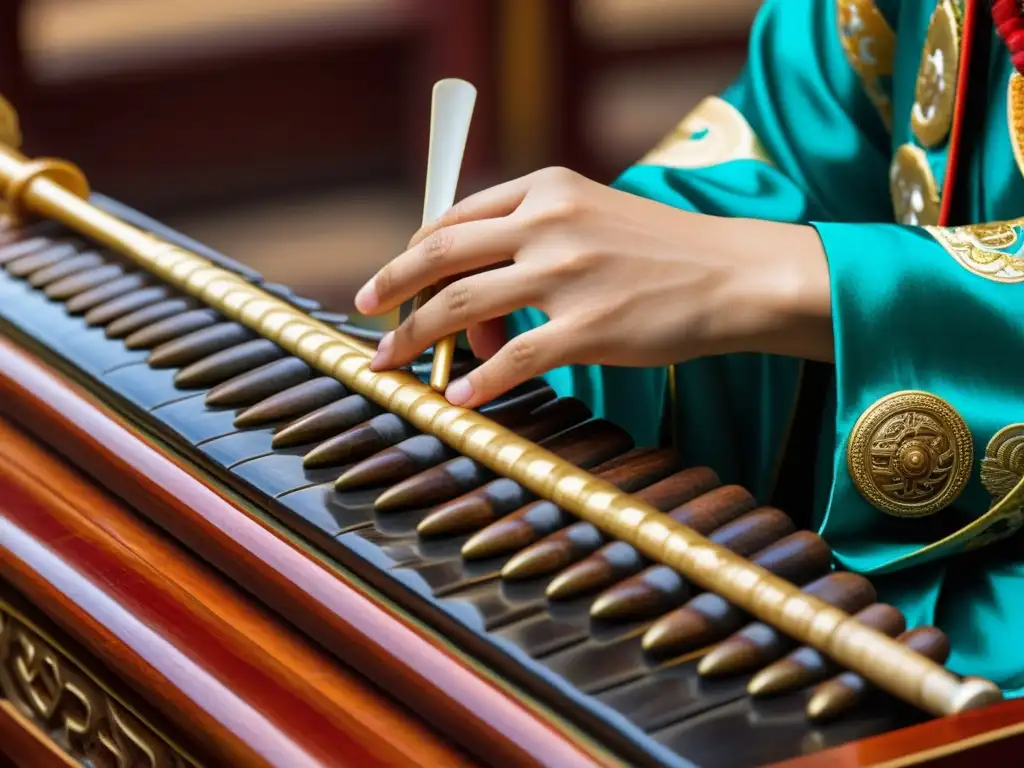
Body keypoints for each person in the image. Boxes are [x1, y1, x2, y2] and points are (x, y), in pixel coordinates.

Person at [354, 0, 1024, 697]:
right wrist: (546, 331)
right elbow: (789, 142)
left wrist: (786, 277)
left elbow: (736, 261)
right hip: (859, 606)